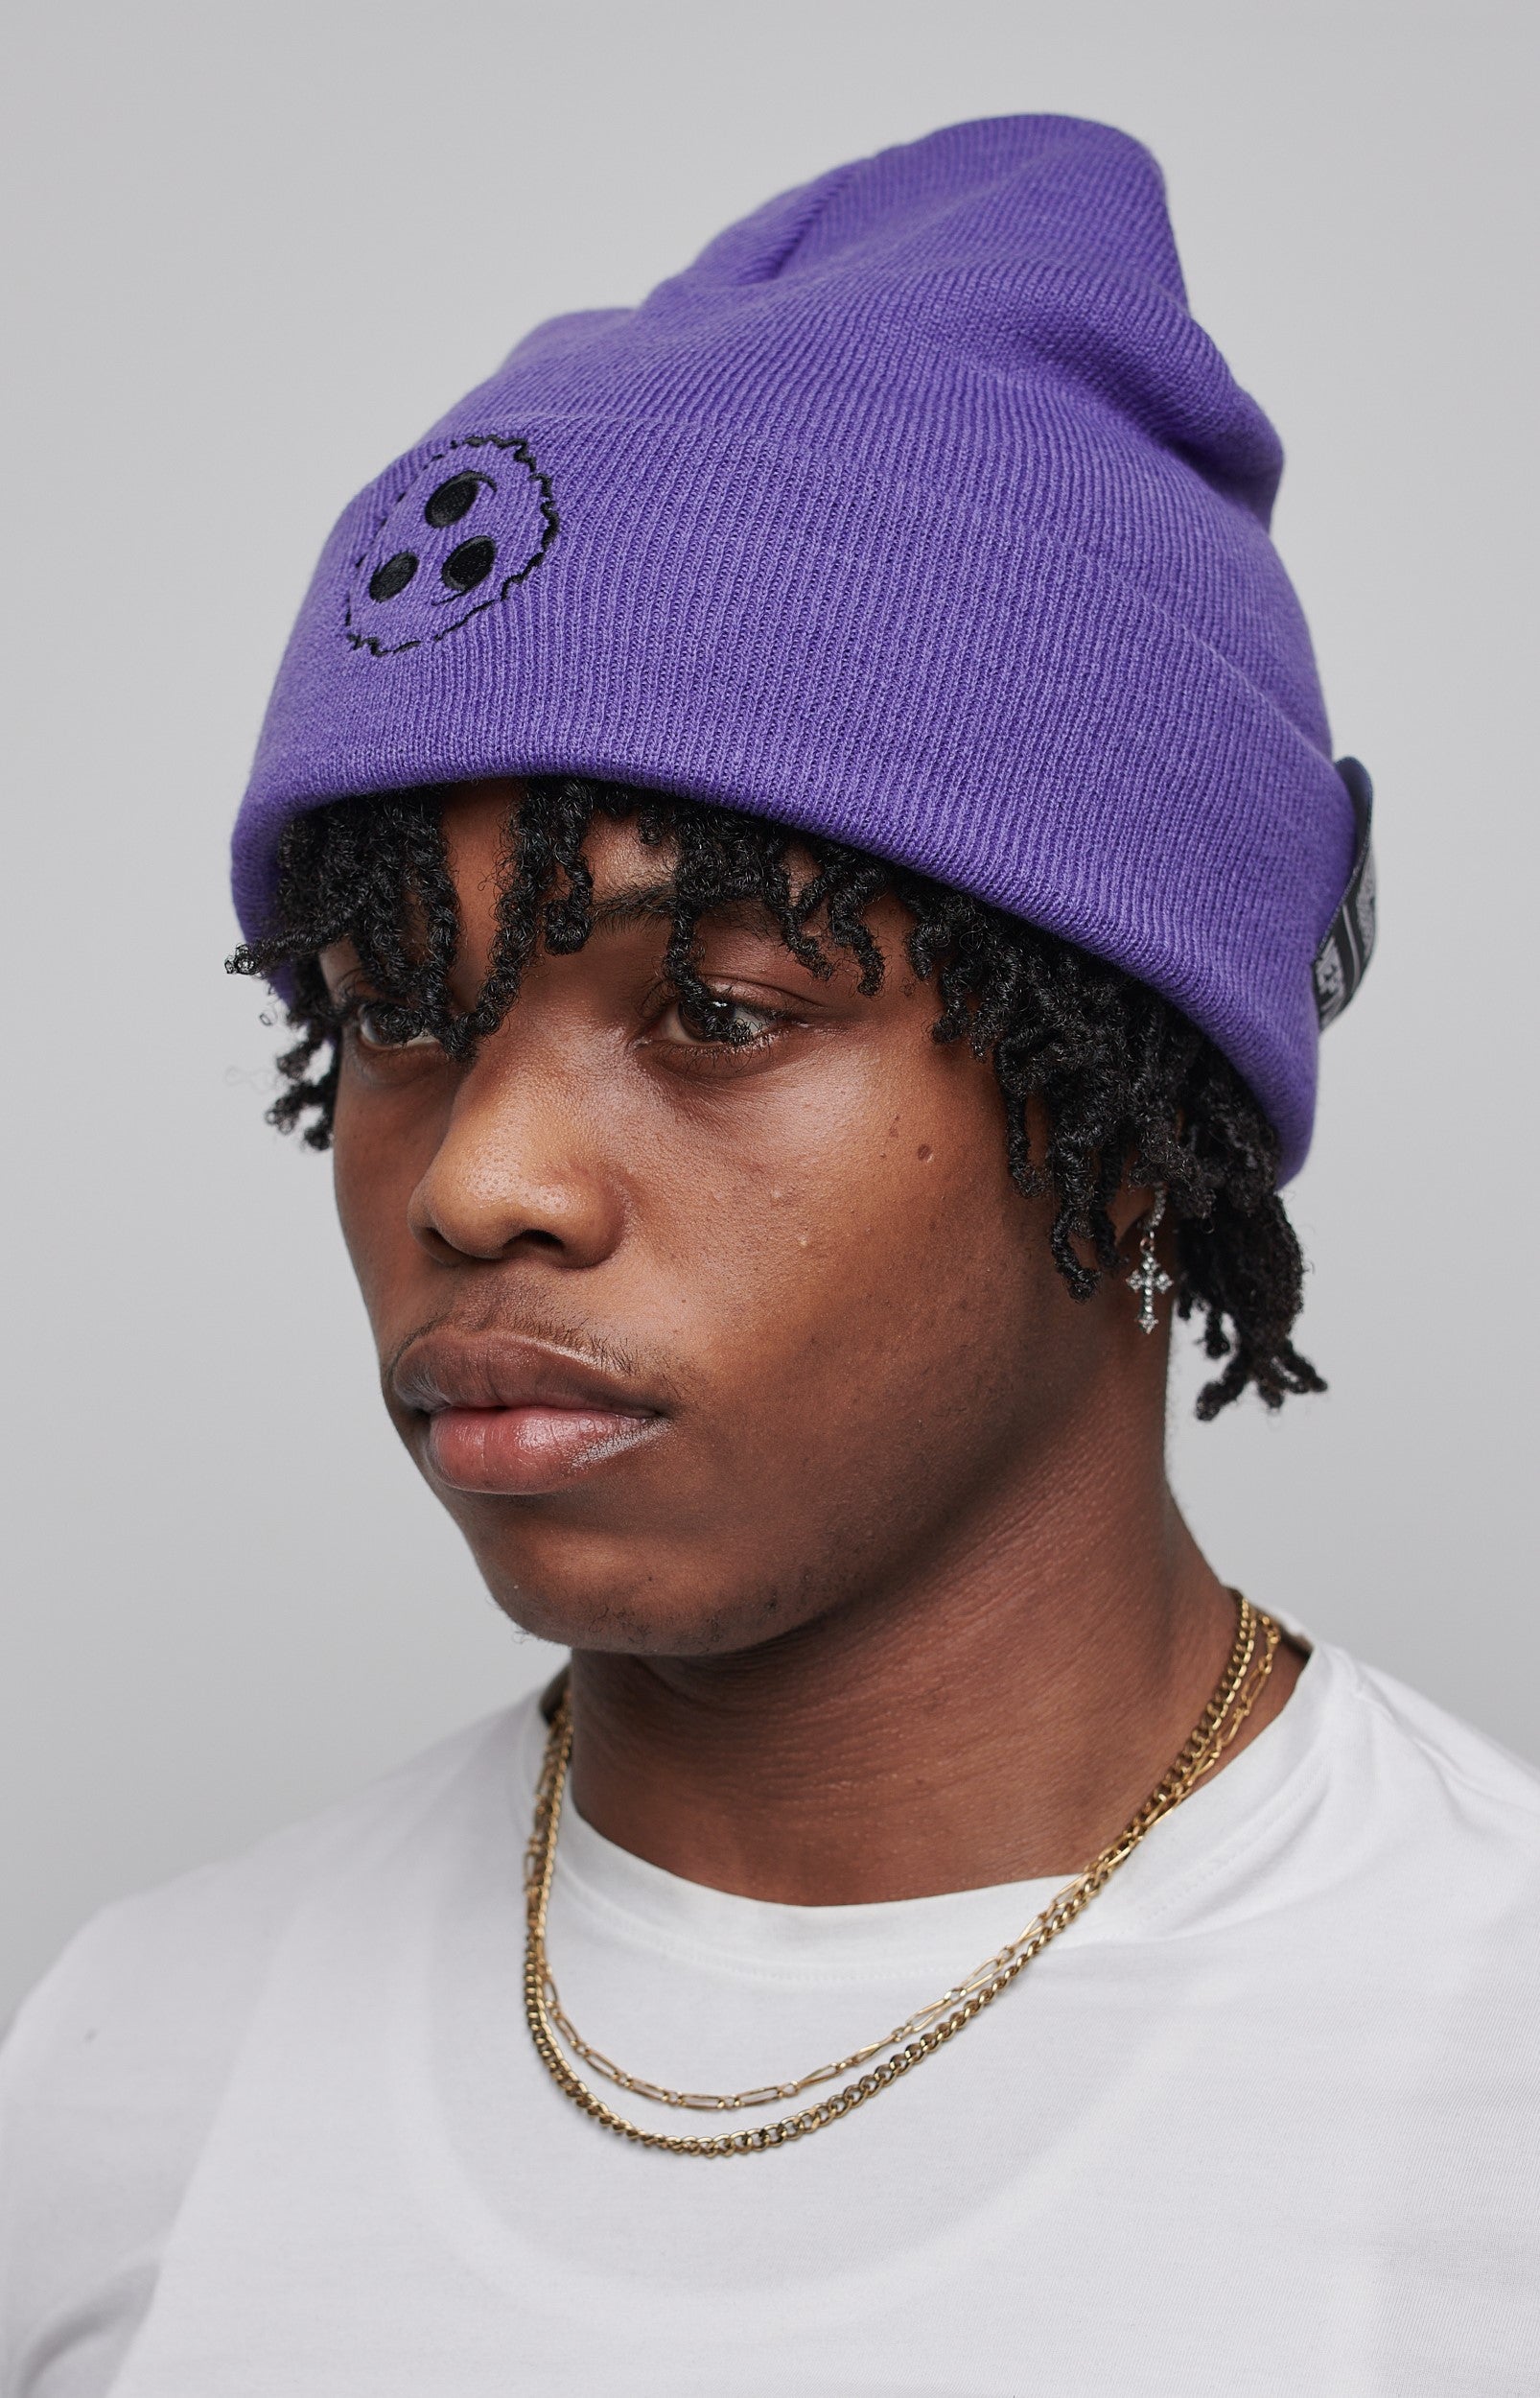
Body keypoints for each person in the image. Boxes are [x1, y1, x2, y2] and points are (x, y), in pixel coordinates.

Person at [2, 114, 1535, 2398]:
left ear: (1134, 1112)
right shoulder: (128, 2078)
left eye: (715, 1010)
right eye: (397, 1006)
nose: (477, 1176)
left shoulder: (1488, 2086)